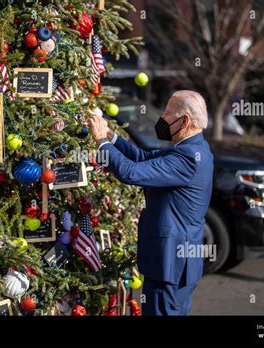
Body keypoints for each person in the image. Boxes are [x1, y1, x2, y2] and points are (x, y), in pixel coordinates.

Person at [89, 90, 214, 316]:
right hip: (176, 262)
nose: (162, 118)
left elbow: (131, 172)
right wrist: (111, 135)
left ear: (184, 120)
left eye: (167, 113)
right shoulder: (192, 148)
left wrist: (100, 142)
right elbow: (142, 159)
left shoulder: (186, 158)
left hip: (169, 264)